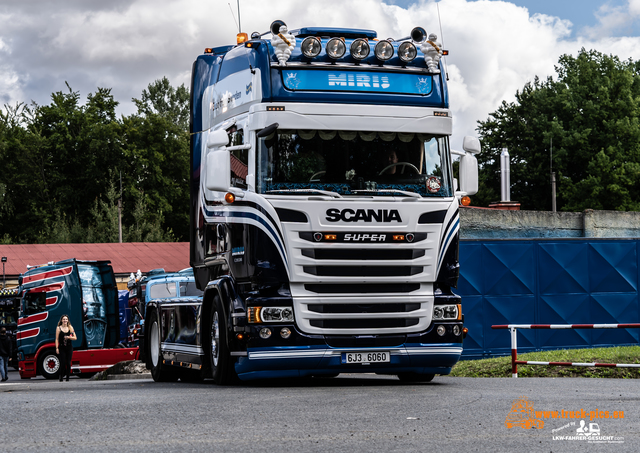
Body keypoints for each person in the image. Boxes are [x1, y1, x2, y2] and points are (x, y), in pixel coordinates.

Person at [55, 314, 77, 381]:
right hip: (62, 347)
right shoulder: (58, 328)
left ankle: (67, 377)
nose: (65, 320)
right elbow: (56, 339)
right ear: (61, 320)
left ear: (68, 320)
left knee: (68, 362)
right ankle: (61, 377)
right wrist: (56, 348)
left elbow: (75, 338)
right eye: (64, 319)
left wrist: (68, 337)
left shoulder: (70, 327)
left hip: (69, 347)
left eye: (66, 319)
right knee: (63, 363)